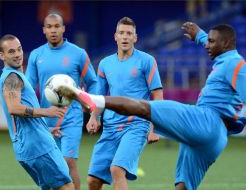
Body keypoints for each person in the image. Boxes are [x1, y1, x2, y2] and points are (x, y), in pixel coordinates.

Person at [58, 22, 246, 190]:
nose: (207, 45)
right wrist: (200, 36)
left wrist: (151, 128)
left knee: (144, 108)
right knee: (183, 186)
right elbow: (215, 44)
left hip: (207, 121)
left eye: (212, 42)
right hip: (215, 137)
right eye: (208, 41)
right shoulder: (225, 60)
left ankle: (94, 99)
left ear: (227, 44)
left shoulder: (235, 64)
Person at [84, 17, 163, 190]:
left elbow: (157, 94)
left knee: (117, 169)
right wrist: (93, 117)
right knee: (93, 181)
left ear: (135, 38)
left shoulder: (147, 61)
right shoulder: (105, 64)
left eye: (129, 33)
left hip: (136, 125)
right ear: (115, 36)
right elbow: (100, 97)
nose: (125, 37)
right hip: (111, 127)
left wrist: (154, 128)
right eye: (121, 33)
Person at [25, 13, 97, 190]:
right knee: (50, 166)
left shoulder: (78, 54)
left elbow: (93, 82)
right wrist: (34, 115)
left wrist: (94, 112)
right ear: (44, 30)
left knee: (68, 161)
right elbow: (28, 89)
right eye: (49, 27)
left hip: (71, 117)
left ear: (63, 28)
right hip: (46, 120)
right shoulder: (36, 55)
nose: (53, 30)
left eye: (57, 26)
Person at [0, 34, 74, 190]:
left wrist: (44, 129)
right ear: (2, 55)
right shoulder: (12, 77)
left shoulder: (15, 76)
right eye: (11, 51)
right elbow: (14, 108)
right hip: (37, 146)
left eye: (19, 49)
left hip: (31, 144)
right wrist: (47, 112)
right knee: (66, 187)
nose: (18, 54)